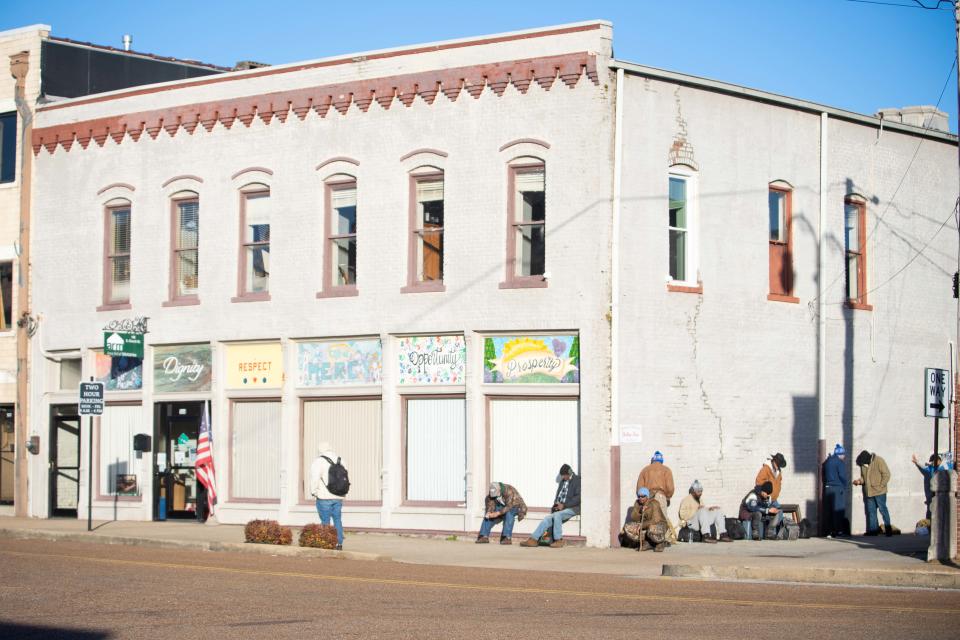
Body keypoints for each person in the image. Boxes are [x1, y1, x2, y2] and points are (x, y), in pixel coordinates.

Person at [521, 464, 581, 549]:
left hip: (573, 508)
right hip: (561, 508)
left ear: (569, 473)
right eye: (562, 475)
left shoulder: (577, 480)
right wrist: (555, 505)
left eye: (564, 475)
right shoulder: (563, 482)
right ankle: (533, 539)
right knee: (547, 519)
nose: (563, 477)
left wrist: (564, 505)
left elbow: (578, 498)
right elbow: (558, 495)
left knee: (557, 515)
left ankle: (558, 540)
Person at [309, 441, 345, 550]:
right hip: (338, 496)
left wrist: (313, 491)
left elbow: (315, 478)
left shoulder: (318, 461)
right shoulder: (340, 460)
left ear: (320, 450)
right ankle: (339, 543)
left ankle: (327, 541)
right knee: (337, 519)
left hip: (324, 496)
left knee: (325, 521)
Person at [854, 450, 892, 536]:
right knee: (871, 512)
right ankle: (873, 531)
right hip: (869, 492)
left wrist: (881, 486)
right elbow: (864, 478)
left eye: (863, 463)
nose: (862, 465)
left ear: (868, 459)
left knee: (883, 510)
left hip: (880, 492)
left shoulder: (879, 461)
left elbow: (887, 474)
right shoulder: (863, 465)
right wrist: (859, 481)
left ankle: (888, 530)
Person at [620, 487, 669, 552]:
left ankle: (660, 543)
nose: (640, 498)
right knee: (628, 527)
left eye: (643, 496)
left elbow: (655, 520)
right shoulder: (637, 503)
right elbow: (634, 517)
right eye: (639, 496)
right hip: (644, 525)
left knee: (652, 528)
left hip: (658, 525)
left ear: (647, 496)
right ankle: (647, 543)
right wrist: (640, 511)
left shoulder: (654, 503)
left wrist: (641, 525)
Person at [912, 453, 949, 520]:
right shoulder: (930, 469)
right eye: (932, 461)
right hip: (931, 496)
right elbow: (923, 468)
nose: (933, 463)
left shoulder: (943, 467)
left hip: (940, 496)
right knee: (930, 512)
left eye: (934, 461)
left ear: (939, 460)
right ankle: (929, 525)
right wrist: (916, 462)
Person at [822, 444, 848, 537]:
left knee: (829, 510)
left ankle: (829, 531)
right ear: (840, 454)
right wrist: (845, 485)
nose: (844, 456)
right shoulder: (840, 463)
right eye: (843, 454)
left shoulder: (828, 461)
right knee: (838, 510)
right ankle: (838, 531)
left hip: (828, 488)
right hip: (837, 488)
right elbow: (842, 476)